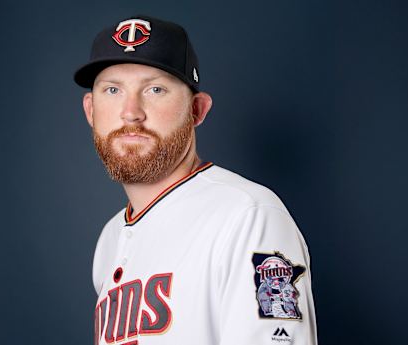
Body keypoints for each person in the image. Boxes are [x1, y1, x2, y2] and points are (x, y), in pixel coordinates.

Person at [74, 15, 317, 345]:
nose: (130, 112)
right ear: (91, 110)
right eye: (113, 90)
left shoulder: (248, 216)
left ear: (197, 110)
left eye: (155, 89)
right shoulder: (110, 237)